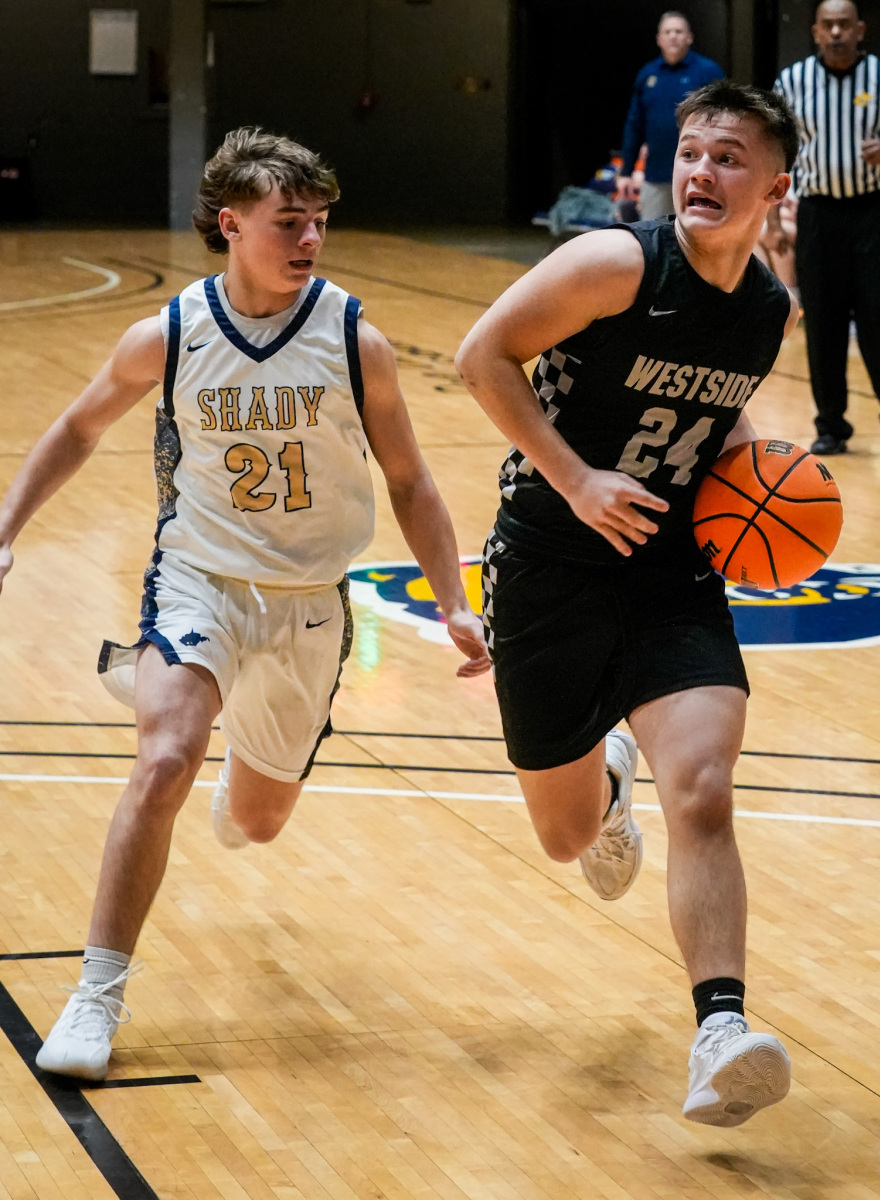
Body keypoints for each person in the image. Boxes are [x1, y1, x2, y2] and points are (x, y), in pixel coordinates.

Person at [0, 127, 490, 1080]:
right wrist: (8, 526)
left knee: (258, 822)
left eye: (319, 223)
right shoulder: (169, 334)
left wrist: (452, 601)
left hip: (308, 602)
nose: (309, 240)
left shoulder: (354, 340)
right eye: (288, 222)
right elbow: (78, 427)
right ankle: (97, 993)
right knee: (165, 759)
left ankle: (202, 722)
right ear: (230, 224)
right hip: (200, 579)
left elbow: (411, 480)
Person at [456, 80, 799, 1128]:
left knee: (702, 787)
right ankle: (605, 787)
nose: (701, 171)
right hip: (549, 561)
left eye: (728, 157)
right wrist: (574, 479)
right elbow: (481, 358)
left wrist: (764, 485)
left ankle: (720, 1030)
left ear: (774, 188)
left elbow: (713, 418)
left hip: (668, 572)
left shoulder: (767, 309)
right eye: (691, 152)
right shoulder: (614, 264)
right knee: (564, 839)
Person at [772, 0, 880, 458]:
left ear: (860, 30)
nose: (837, 32)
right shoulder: (791, 82)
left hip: (872, 214)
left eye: (845, 25)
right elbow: (773, 152)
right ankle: (830, 426)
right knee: (822, 321)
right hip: (817, 215)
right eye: (828, 25)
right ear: (815, 32)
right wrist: (772, 220)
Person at [616, 12, 723, 221]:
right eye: (667, 32)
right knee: (653, 234)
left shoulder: (709, 72)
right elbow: (634, 125)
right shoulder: (647, 74)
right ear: (659, 39)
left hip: (699, 175)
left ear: (689, 37)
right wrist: (626, 172)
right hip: (656, 177)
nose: (673, 36)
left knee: (699, 234)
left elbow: (723, 123)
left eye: (678, 31)